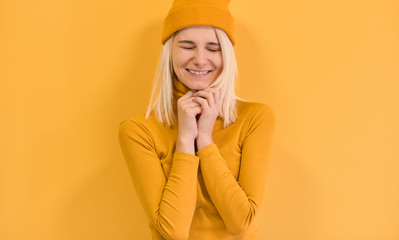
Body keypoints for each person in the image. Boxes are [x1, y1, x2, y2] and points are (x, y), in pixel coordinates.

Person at [118, 0, 275, 239]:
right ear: (169, 51)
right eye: (187, 46)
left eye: (213, 48)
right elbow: (173, 233)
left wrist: (204, 139)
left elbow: (241, 224)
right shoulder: (139, 131)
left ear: (227, 54)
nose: (200, 60)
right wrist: (184, 140)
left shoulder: (254, 118)